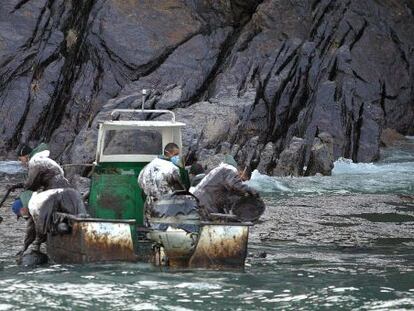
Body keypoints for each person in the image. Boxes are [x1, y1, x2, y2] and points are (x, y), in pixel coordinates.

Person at [12, 188, 88, 255]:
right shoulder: (37, 197)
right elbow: (31, 228)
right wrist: (25, 247)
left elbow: (40, 226)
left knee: (79, 222)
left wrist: (36, 244)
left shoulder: (33, 205)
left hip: (64, 197)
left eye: (21, 215)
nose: (24, 217)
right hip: (74, 193)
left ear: (22, 210)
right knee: (84, 220)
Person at [191, 155, 265, 222]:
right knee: (216, 220)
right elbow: (234, 184)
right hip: (206, 200)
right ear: (241, 172)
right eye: (242, 180)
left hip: (200, 198)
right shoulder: (230, 170)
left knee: (221, 218)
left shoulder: (222, 170)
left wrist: (244, 195)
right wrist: (250, 190)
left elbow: (229, 193)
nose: (241, 181)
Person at [138, 143, 186, 217]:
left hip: (150, 209)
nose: (177, 157)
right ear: (168, 153)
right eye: (176, 154)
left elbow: (141, 185)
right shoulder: (172, 168)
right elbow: (180, 191)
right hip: (167, 209)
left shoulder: (147, 167)